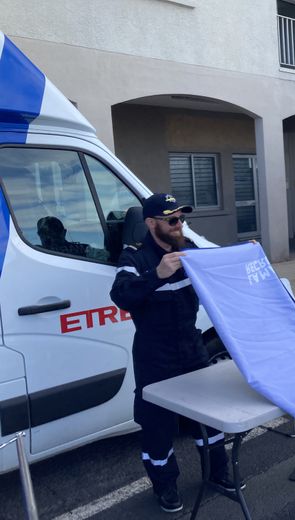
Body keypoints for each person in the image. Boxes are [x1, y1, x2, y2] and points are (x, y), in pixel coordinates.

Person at [110, 193, 235, 513]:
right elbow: (121, 295)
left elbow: (224, 274)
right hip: (155, 354)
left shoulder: (190, 250)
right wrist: (157, 276)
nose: (179, 225)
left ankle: (217, 474)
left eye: (182, 218)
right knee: (157, 427)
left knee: (207, 419)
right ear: (152, 224)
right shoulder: (134, 258)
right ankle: (165, 487)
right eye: (172, 220)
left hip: (191, 348)